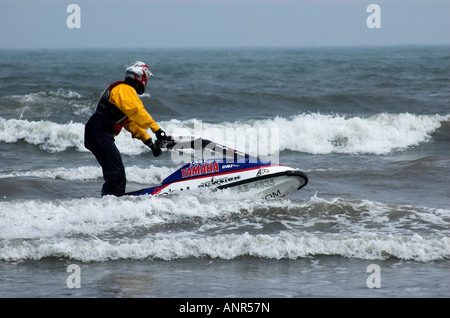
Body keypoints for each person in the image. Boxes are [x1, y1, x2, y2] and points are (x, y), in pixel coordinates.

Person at [84, 61, 169, 196]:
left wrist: (150, 143)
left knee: (115, 172)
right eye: (145, 79)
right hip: (99, 132)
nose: (145, 83)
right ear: (140, 77)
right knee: (116, 173)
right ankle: (111, 204)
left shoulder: (124, 92)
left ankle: (110, 200)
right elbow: (137, 111)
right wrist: (157, 130)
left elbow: (131, 123)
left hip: (97, 133)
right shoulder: (125, 89)